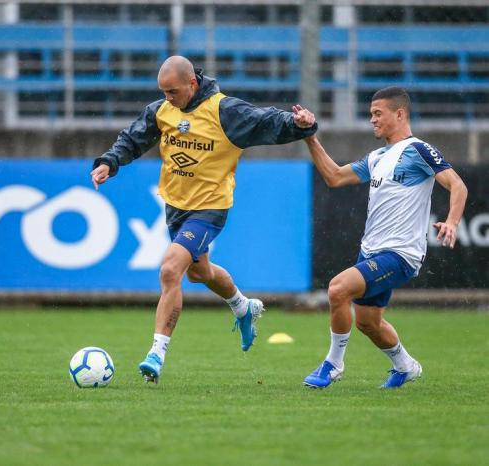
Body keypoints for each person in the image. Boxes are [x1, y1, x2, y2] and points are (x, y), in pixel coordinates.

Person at [90, 55, 317, 383]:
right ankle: (243, 307)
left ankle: (157, 352)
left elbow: (265, 121)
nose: (168, 97)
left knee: (171, 270)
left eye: (173, 91)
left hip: (210, 207)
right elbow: (133, 138)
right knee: (200, 272)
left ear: (192, 84)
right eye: (163, 91)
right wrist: (110, 162)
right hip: (176, 206)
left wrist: (300, 124)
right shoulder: (162, 111)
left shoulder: (224, 111)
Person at [301, 86, 468, 389]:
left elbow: (458, 185)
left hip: (401, 254)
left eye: (378, 114)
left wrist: (452, 222)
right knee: (368, 323)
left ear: (400, 114)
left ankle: (333, 364)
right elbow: (334, 177)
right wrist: (310, 137)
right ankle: (405, 366)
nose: (372, 120)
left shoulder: (417, 150)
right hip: (372, 251)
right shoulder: (378, 157)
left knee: (338, 289)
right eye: (371, 115)